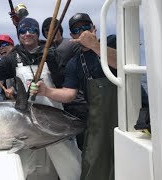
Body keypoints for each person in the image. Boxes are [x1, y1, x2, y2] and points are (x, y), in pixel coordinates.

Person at [0, 17, 82, 180]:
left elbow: (66, 87)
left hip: (53, 122)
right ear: (18, 34)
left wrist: (47, 90)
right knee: (26, 167)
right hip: (27, 126)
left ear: (37, 32)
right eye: (22, 30)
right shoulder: (13, 58)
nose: (27, 34)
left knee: (70, 168)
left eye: (32, 30)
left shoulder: (51, 54)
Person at [31, 13, 118, 180]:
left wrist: (95, 46)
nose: (82, 32)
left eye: (86, 27)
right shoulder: (75, 63)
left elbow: (122, 63)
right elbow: (69, 94)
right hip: (99, 120)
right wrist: (46, 91)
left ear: (94, 28)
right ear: (71, 36)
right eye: (77, 30)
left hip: (130, 113)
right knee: (91, 164)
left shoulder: (112, 42)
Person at [42, 17, 88, 150]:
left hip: (77, 102)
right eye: (47, 30)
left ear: (60, 30)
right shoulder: (46, 47)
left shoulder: (70, 44)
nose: (51, 32)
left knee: (82, 142)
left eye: (54, 28)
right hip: (59, 103)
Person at [0, 34, 16, 100]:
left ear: (13, 46)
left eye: (4, 44)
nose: (1, 48)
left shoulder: (21, 60)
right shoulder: (2, 66)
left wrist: (14, 89)